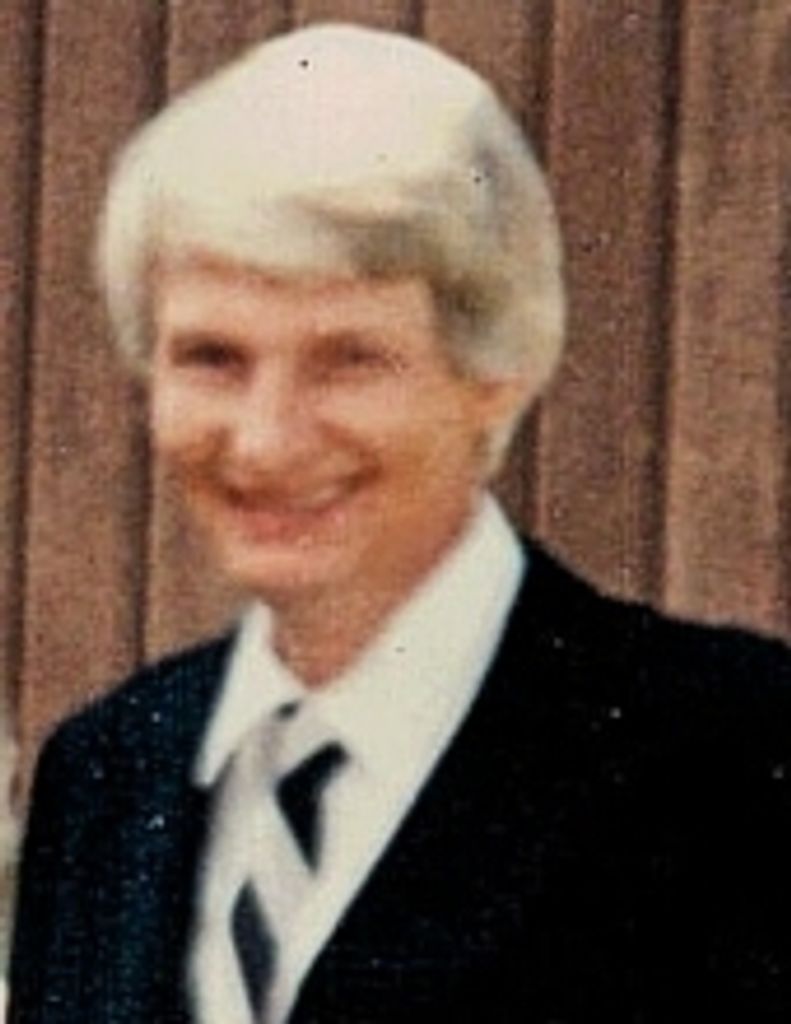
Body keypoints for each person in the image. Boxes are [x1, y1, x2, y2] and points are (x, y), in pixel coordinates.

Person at [9, 22, 791, 1024]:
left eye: (349, 360)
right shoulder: (105, 774)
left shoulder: (731, 760)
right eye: (212, 358)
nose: (265, 441)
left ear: (494, 371)